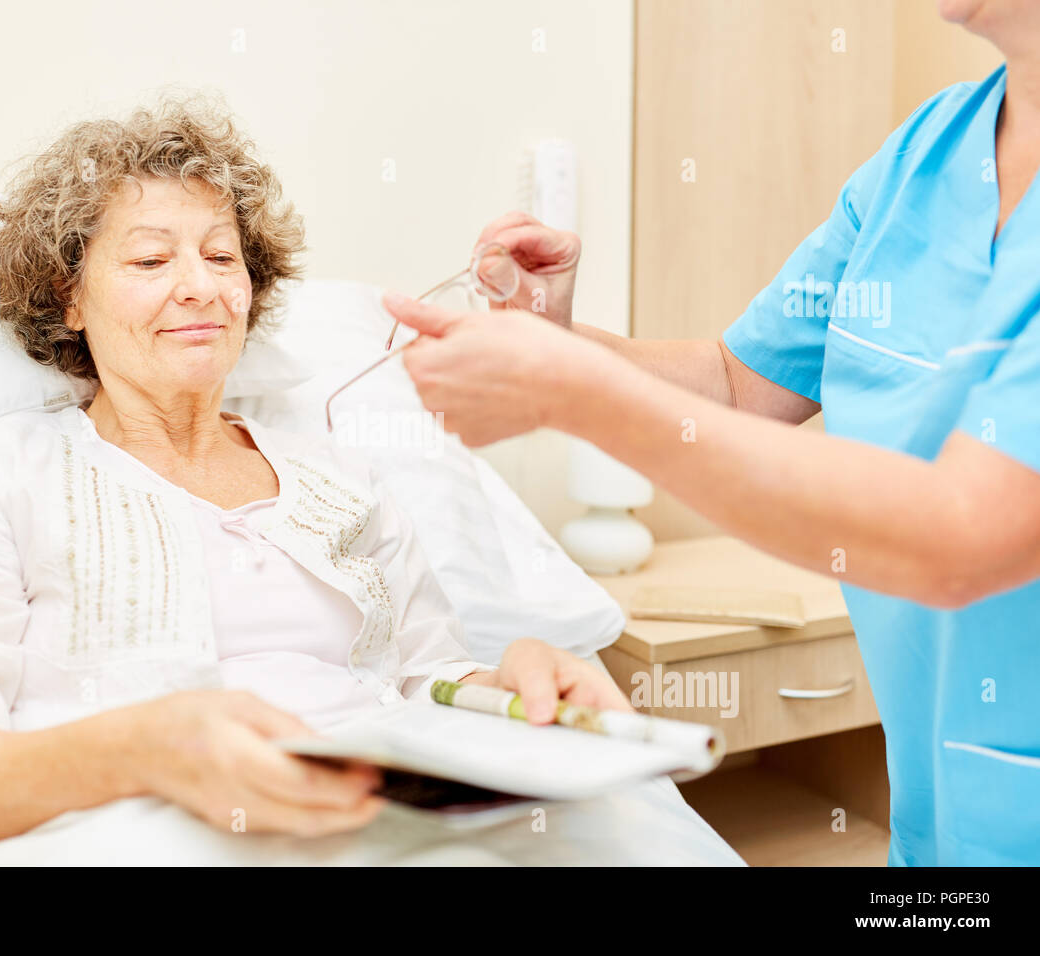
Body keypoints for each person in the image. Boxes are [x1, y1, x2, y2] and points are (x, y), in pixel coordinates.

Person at [0, 96, 738, 865]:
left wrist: (508, 686)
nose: (200, 286)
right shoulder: (1, 474)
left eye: (221, 255)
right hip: (146, 831)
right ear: (71, 298)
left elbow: (423, 677)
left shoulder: (337, 474)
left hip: (393, 824)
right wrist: (149, 748)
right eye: (150, 260)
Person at [382, 0, 1040, 866]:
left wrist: (573, 395)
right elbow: (741, 382)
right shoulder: (928, 153)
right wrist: (559, 347)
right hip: (945, 844)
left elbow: (965, 539)